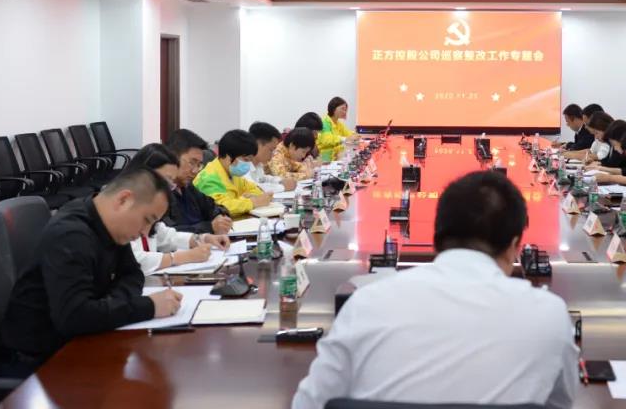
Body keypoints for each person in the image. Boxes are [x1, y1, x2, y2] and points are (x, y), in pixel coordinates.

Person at [293, 171, 578, 409]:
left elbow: (310, 403)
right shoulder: (550, 314)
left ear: (436, 238)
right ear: (514, 246)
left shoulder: (365, 304)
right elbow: (559, 403)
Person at [0, 166, 183, 373]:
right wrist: (148, 306)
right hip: (39, 361)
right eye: (147, 220)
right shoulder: (71, 234)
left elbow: (133, 274)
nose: (144, 232)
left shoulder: (110, 225)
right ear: (124, 200)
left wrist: (110, 305)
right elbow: (74, 316)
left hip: (79, 341)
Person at [125, 144, 230, 275]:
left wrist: (203, 238)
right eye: (166, 180)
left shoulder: (159, 200)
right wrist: (183, 257)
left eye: (171, 182)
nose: (169, 188)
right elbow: (133, 259)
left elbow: (165, 236)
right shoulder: (125, 205)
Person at [164, 129, 232, 235]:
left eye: (199, 165)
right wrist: (209, 227)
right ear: (172, 157)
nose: (195, 171)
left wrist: (220, 217)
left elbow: (214, 207)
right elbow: (167, 234)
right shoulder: (159, 193)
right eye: (192, 163)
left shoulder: (188, 187)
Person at [193, 129, 273, 216]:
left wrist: (245, 200)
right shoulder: (208, 178)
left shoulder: (233, 174)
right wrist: (252, 202)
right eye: (246, 160)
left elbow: (256, 190)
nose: (248, 164)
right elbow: (221, 207)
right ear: (229, 156)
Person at [248, 121, 293, 191]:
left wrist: (280, 181)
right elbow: (254, 188)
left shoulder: (258, 164)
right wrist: (283, 187)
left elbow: (263, 179)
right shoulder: (243, 165)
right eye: (271, 150)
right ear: (258, 145)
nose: (273, 154)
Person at [317, 97, 355, 162]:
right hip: (325, 158)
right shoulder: (325, 122)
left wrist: (355, 136)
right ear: (333, 108)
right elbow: (327, 140)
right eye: (342, 109)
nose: (345, 112)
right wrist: (344, 139)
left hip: (335, 156)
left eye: (346, 110)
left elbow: (348, 134)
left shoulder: (338, 123)